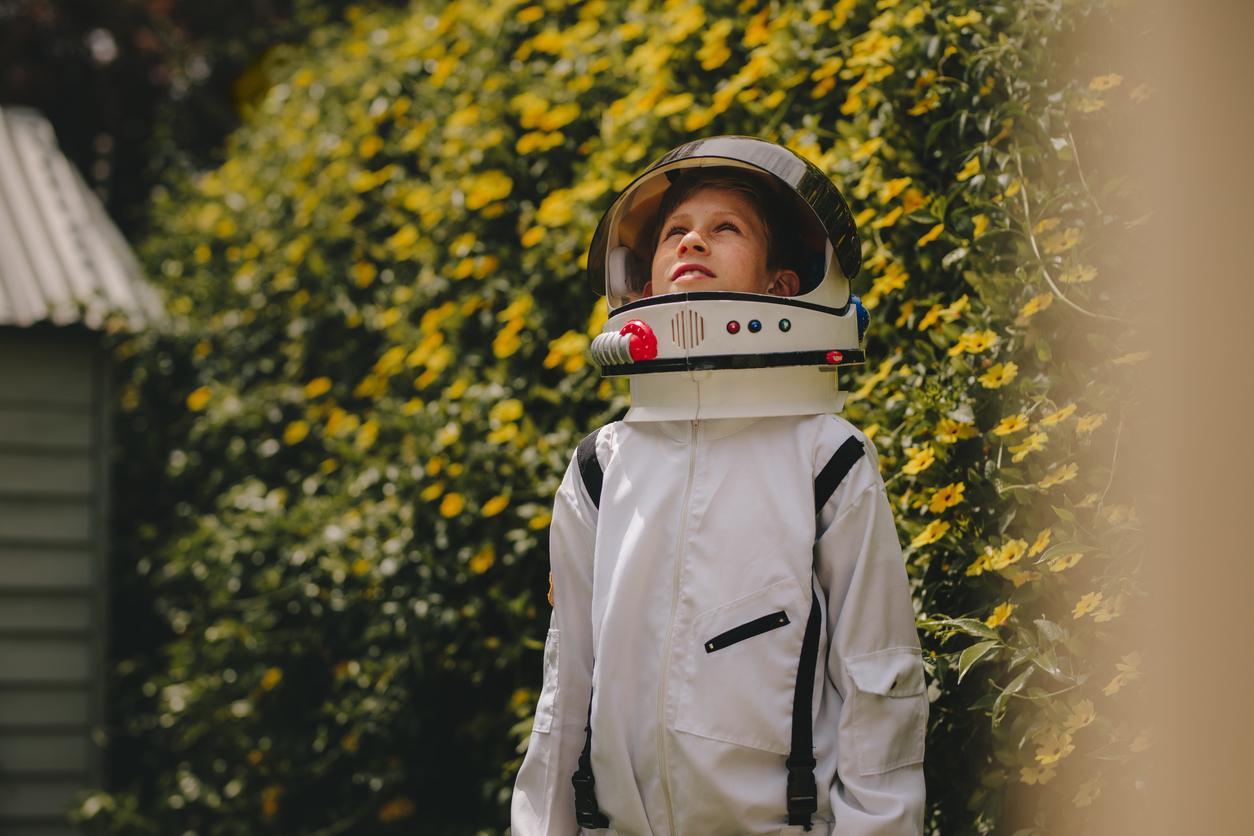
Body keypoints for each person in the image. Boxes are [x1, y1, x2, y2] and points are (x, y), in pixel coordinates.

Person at [511, 137, 926, 836]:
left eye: (725, 228)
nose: (693, 239)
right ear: (643, 287)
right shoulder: (603, 467)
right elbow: (567, 682)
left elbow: (877, 680)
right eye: (676, 231)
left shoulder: (825, 457)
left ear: (780, 288)